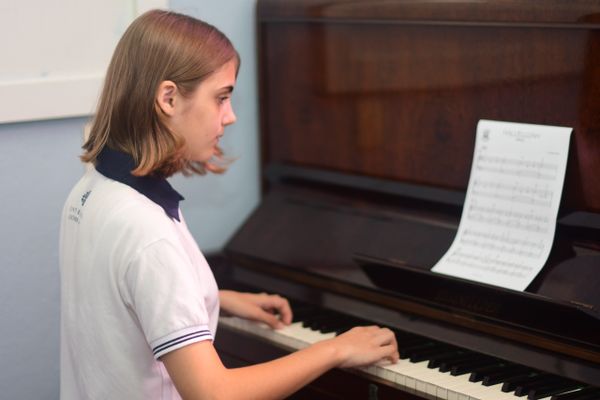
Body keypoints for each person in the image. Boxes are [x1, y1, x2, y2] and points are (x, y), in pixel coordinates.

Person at [59, 9, 398, 400]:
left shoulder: (93, 188)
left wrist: (213, 299)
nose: (231, 116)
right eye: (221, 98)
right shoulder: (147, 232)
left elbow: (120, 299)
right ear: (168, 98)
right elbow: (214, 393)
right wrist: (335, 349)